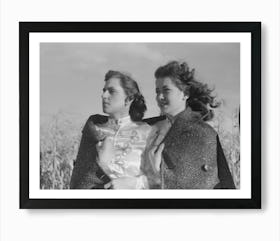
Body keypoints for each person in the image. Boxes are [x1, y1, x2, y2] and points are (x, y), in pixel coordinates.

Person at [144, 61, 236, 189]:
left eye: (166, 90)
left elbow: (197, 188)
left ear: (185, 94)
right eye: (157, 91)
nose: (159, 96)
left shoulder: (199, 133)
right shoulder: (155, 129)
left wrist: (155, 176)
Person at [70, 70, 155, 189]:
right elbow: (79, 178)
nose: (104, 95)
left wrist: (134, 184)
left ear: (129, 99)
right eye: (104, 91)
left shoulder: (146, 133)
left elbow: (158, 179)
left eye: (112, 91)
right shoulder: (94, 128)